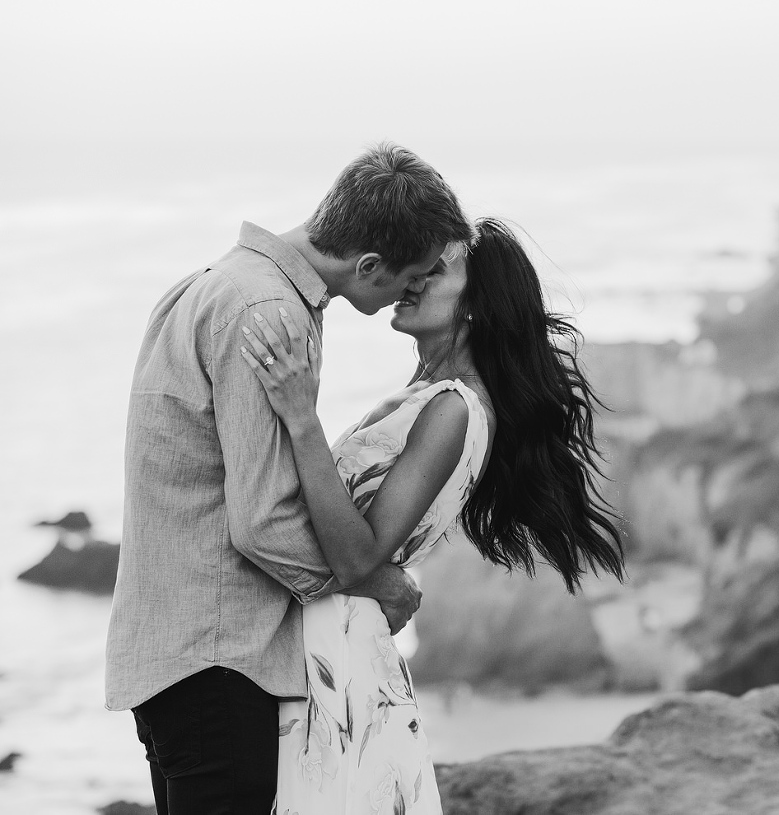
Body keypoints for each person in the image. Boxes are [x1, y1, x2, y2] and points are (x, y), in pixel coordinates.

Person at [105, 143, 475, 815]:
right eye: (410, 276)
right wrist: (372, 583)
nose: (412, 291)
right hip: (225, 662)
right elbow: (262, 521)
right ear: (368, 265)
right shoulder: (270, 314)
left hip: (173, 655)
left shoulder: (211, 282)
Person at [239, 218, 626, 814]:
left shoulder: (453, 410)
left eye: (436, 270)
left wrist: (301, 417)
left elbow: (357, 556)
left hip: (339, 659)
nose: (413, 279)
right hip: (320, 643)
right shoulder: (427, 396)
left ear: (476, 304)